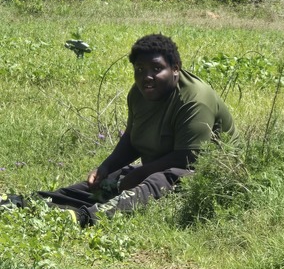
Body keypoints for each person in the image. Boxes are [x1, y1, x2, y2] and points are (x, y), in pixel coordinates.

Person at [1, 33, 235, 227]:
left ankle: (86, 218)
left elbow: (189, 157)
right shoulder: (139, 93)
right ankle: (29, 203)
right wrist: (107, 166)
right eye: (140, 69)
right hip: (161, 165)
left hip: (206, 176)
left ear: (175, 68)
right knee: (106, 183)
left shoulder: (195, 99)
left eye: (156, 68)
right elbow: (133, 139)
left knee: (157, 179)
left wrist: (138, 174)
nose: (147, 77)